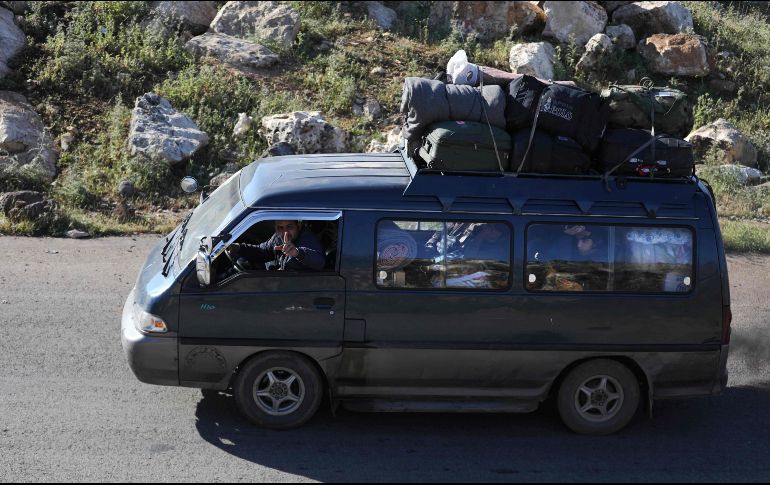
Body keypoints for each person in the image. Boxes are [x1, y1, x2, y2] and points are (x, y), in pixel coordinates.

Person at [227, 220, 325, 271]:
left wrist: (297, 253)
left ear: (298, 227)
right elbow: (262, 251)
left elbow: (319, 262)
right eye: (280, 228)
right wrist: (238, 247)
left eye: (289, 227)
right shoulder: (279, 237)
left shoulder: (308, 239)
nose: (285, 232)